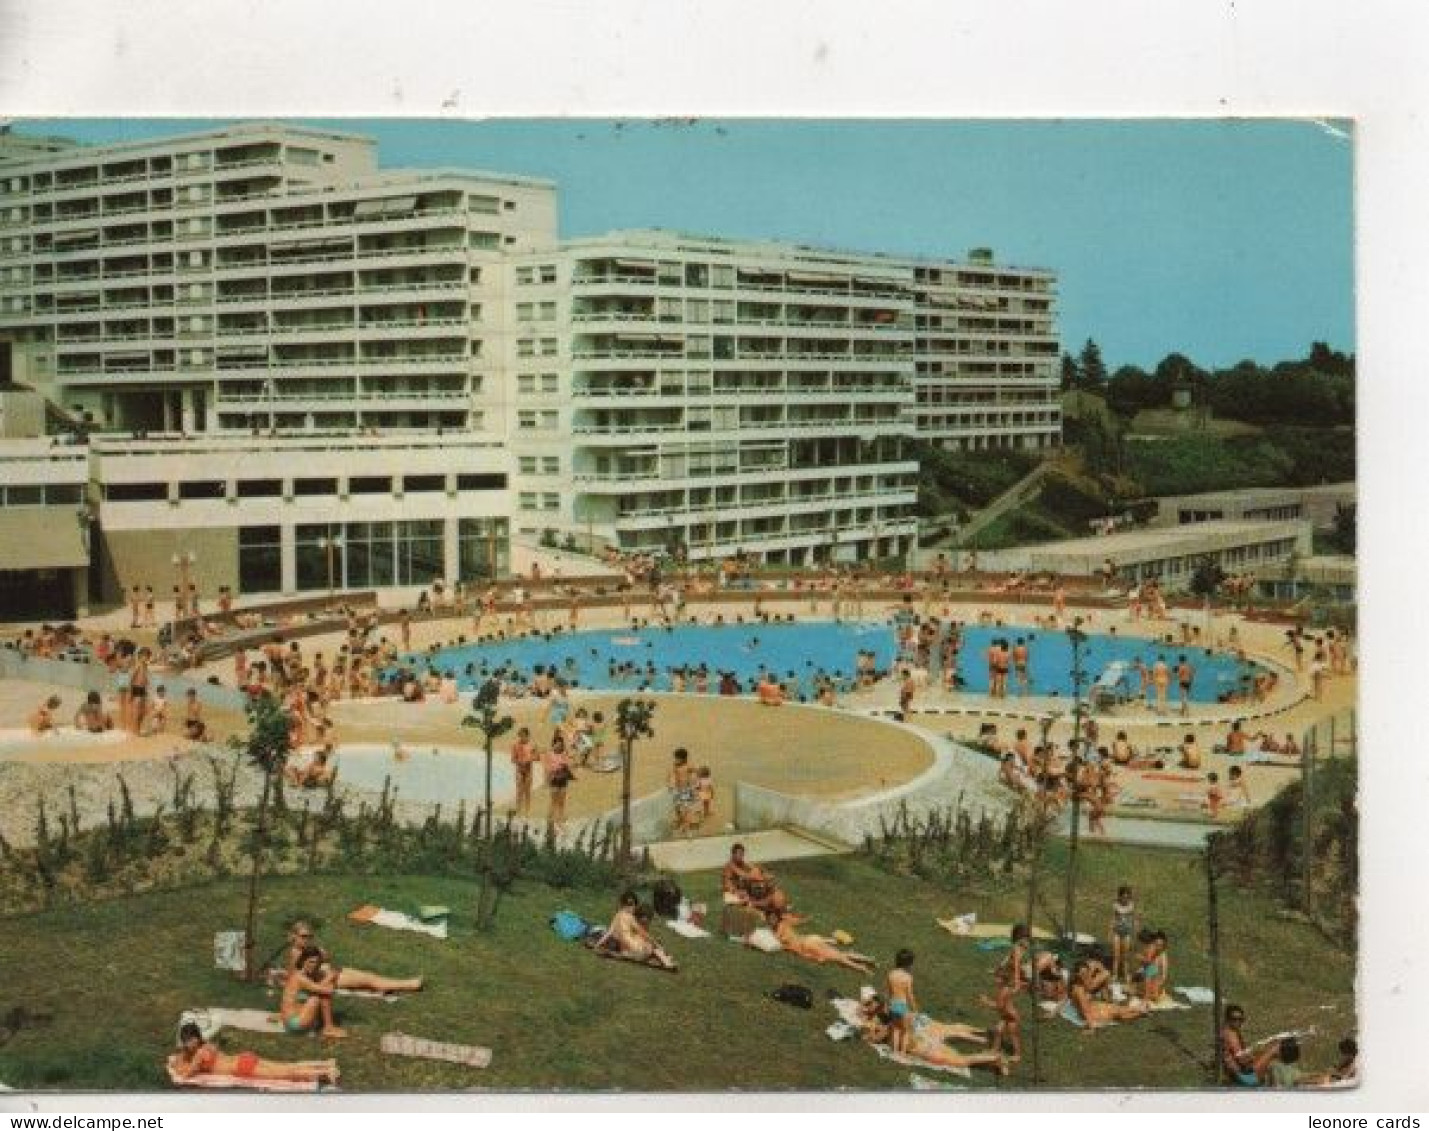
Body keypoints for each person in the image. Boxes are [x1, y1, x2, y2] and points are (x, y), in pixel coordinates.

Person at [172, 1021, 339, 1085]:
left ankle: (325, 1073)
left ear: (196, 1038)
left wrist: (178, 1065)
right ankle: (325, 1063)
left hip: (243, 1067)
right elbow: (185, 1060)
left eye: (190, 1040)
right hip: (244, 1058)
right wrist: (182, 1058)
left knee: (285, 1074)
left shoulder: (200, 1054)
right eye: (187, 1041)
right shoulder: (207, 1045)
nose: (188, 1044)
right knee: (286, 1066)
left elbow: (186, 1074)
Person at [283, 921, 422, 995]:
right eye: (303, 936)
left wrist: (321, 956)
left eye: (310, 936)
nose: (307, 939)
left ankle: (397, 984)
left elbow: (324, 959)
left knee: (369, 976)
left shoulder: (305, 949)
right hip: (330, 977)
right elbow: (294, 979)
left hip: (331, 971)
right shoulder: (296, 952)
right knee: (369, 979)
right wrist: (324, 977)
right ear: (294, 936)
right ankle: (409, 984)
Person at [591, 890, 678, 970]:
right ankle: (667, 962)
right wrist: (657, 944)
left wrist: (598, 944)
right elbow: (644, 934)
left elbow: (609, 933)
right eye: (631, 904)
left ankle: (661, 956)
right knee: (653, 945)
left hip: (625, 951)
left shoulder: (617, 916)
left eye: (633, 904)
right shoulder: (630, 918)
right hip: (638, 952)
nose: (633, 907)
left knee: (638, 939)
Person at [768, 909, 875, 973]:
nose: (771, 921)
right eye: (770, 919)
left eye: (772, 918)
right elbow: (796, 922)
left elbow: (787, 945)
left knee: (839, 957)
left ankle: (863, 967)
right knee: (840, 955)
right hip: (808, 941)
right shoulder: (783, 925)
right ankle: (866, 961)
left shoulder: (778, 931)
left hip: (807, 944)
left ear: (776, 919)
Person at [280, 947, 346, 1038]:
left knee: (320, 990)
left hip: (291, 1021)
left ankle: (327, 1026)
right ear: (303, 961)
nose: (314, 965)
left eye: (317, 962)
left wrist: (328, 968)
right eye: (311, 962)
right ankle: (328, 1028)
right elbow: (328, 991)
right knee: (318, 996)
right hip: (294, 1024)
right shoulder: (300, 978)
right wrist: (331, 976)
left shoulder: (305, 975)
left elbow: (322, 983)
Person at [1067, 959, 1149, 1029]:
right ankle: (1139, 1009)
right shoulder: (1079, 989)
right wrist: (1091, 1026)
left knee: (1118, 1012)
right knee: (1117, 1012)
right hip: (1094, 1013)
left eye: (1087, 973)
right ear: (1077, 975)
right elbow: (1086, 1011)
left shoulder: (1078, 984)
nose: (1086, 976)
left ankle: (1140, 1011)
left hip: (1093, 1007)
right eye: (1083, 974)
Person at [1220, 1004, 1277, 1085]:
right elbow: (1242, 1059)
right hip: (1242, 1077)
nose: (1238, 1022)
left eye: (1240, 1019)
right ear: (1227, 1019)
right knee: (1273, 1052)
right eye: (1234, 1019)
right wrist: (1256, 1056)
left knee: (1268, 1063)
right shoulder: (1230, 1034)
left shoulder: (1227, 1032)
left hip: (1238, 1074)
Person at [886, 949, 918, 1054]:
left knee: (895, 1029)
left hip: (893, 1004)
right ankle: (903, 1052)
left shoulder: (891, 974)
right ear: (909, 964)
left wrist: (888, 1004)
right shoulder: (908, 977)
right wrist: (914, 1008)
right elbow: (910, 995)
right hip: (902, 1005)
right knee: (905, 1031)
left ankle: (894, 1051)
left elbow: (889, 991)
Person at [544, 732, 573, 830]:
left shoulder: (564, 753)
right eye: (557, 744)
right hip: (554, 779)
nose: (559, 746)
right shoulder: (549, 754)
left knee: (562, 802)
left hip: (563, 779)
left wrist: (565, 765)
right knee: (553, 801)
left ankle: (560, 821)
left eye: (561, 745)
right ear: (553, 744)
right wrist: (547, 780)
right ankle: (550, 820)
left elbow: (568, 765)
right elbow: (547, 768)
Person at [1109, 885, 1138, 986]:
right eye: (1123, 897)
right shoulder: (1116, 905)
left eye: (1127, 897)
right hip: (1117, 931)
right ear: (1120, 896)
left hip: (1127, 932)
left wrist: (1135, 932)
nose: (1125, 899)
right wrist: (1110, 932)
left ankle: (1126, 974)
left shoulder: (1131, 905)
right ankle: (1114, 975)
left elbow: (1135, 919)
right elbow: (1113, 919)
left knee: (1125, 956)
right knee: (1116, 955)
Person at [510, 726, 538, 816]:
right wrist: (520, 761)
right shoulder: (515, 745)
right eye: (520, 735)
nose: (522, 737)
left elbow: (537, 758)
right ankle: (518, 810)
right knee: (519, 791)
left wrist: (530, 759)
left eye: (523, 735)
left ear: (527, 735)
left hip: (528, 770)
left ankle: (527, 810)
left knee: (527, 791)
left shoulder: (532, 745)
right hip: (519, 770)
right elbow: (512, 759)